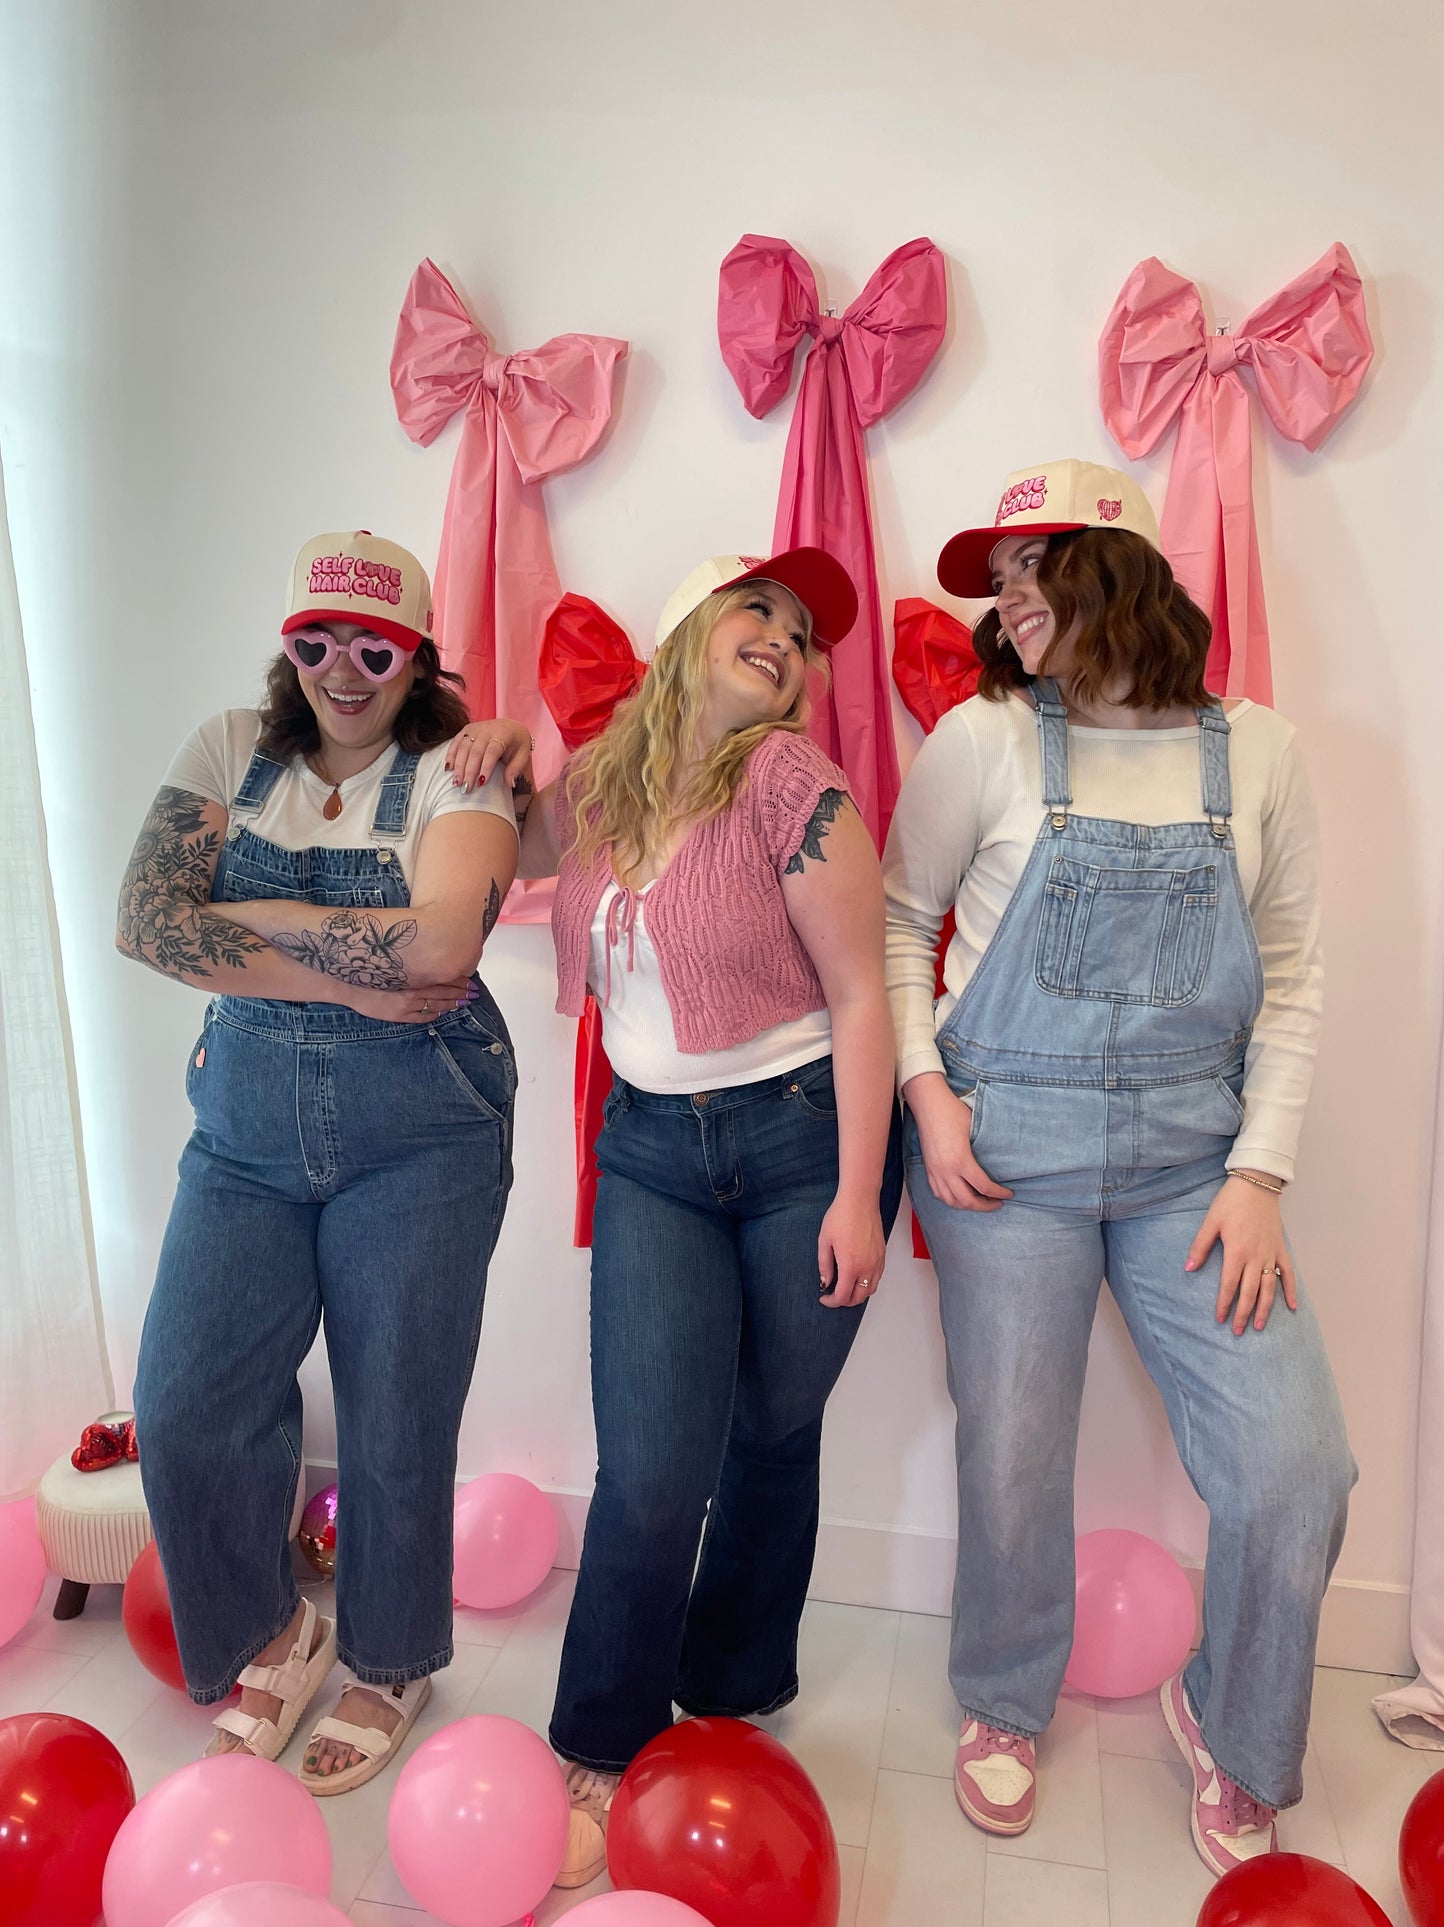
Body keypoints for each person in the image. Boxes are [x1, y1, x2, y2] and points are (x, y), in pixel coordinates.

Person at [883, 462, 1354, 1876]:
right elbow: (904, 923)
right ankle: (1003, 1695)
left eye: (1040, 564)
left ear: (1122, 572)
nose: (1009, 594)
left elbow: (1296, 976)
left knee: (1294, 1466)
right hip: (1002, 1146)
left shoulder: (1255, 750)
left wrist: (1260, 1171)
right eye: (999, 573)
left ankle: (1235, 1720)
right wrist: (929, 1100)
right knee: (1012, 1444)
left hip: (1193, 1167)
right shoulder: (981, 739)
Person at [448, 547, 905, 1886]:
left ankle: (732, 1683)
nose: (786, 637)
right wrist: (482, 740)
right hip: (650, 1150)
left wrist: (857, 1197)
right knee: (653, 1469)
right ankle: (599, 1735)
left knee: (772, 1423)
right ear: (683, 634)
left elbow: (864, 995)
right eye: (758, 609)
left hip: (805, 1138)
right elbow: (505, 831)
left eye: (803, 632)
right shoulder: (598, 784)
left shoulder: (794, 788)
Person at [122, 530, 523, 1794]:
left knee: (398, 1409)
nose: (340, 672)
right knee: (186, 1399)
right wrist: (337, 958)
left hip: (424, 1125)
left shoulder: (459, 768)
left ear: (416, 657)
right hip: (241, 1125)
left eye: (373, 647)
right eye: (314, 643)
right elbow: (143, 918)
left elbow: (445, 941)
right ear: (284, 645)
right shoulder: (226, 745)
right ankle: (275, 1630)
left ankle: (391, 1659)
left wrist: (233, 927)